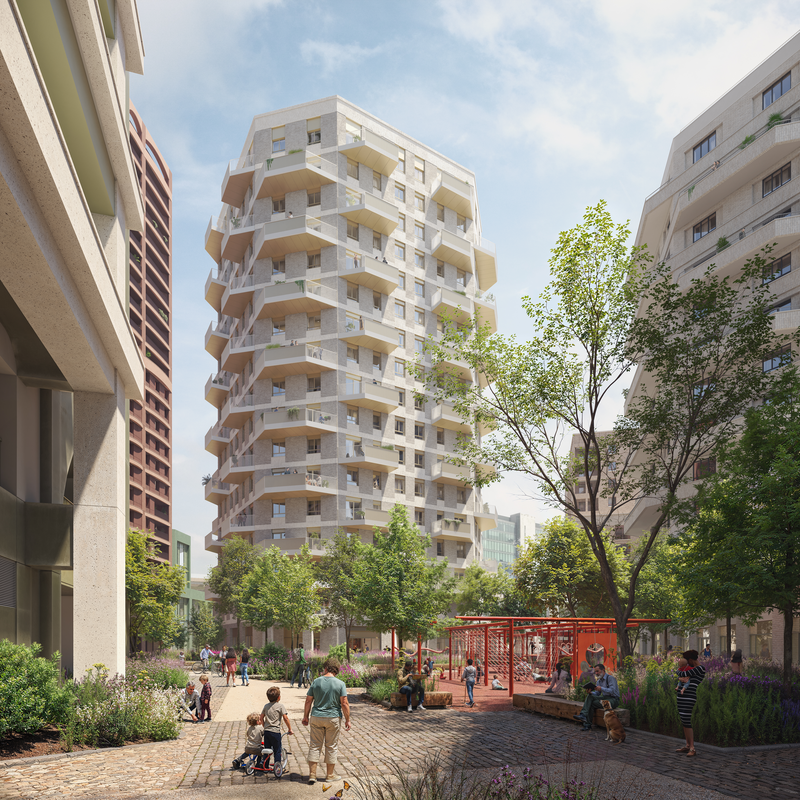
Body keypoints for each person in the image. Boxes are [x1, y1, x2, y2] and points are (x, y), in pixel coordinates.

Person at [302, 657, 351, 785]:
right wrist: (348, 719)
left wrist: (305, 716)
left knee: (314, 745)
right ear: (336, 670)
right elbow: (344, 703)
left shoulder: (316, 682)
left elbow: (308, 700)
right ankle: (330, 775)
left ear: (326, 668)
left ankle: (312, 775)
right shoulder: (340, 684)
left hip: (317, 717)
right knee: (331, 746)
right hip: (333, 718)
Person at [675, 649, 706, 757]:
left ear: (691, 659)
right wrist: (680, 677)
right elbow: (680, 674)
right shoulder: (693, 668)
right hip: (681, 696)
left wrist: (680, 675)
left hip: (689, 697)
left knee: (686, 720)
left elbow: (680, 672)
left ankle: (692, 748)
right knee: (683, 720)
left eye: (688, 661)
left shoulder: (700, 668)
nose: (687, 663)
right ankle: (687, 745)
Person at [572, 663, 619, 731]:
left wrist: (602, 688)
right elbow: (597, 693)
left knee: (591, 702)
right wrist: (591, 693)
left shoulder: (610, 678)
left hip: (614, 700)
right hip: (605, 698)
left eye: (597, 671)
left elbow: (612, 691)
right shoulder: (599, 681)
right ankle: (586, 722)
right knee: (590, 698)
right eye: (595, 672)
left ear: (603, 670)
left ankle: (584, 718)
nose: (596, 673)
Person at [260, 686, 294, 771]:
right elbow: (285, 718)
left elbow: (261, 718)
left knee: (267, 749)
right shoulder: (280, 706)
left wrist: (265, 726)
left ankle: (265, 765)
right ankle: (277, 767)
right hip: (275, 732)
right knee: (277, 750)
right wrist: (290, 729)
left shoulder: (266, 706)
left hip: (267, 732)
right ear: (279, 697)